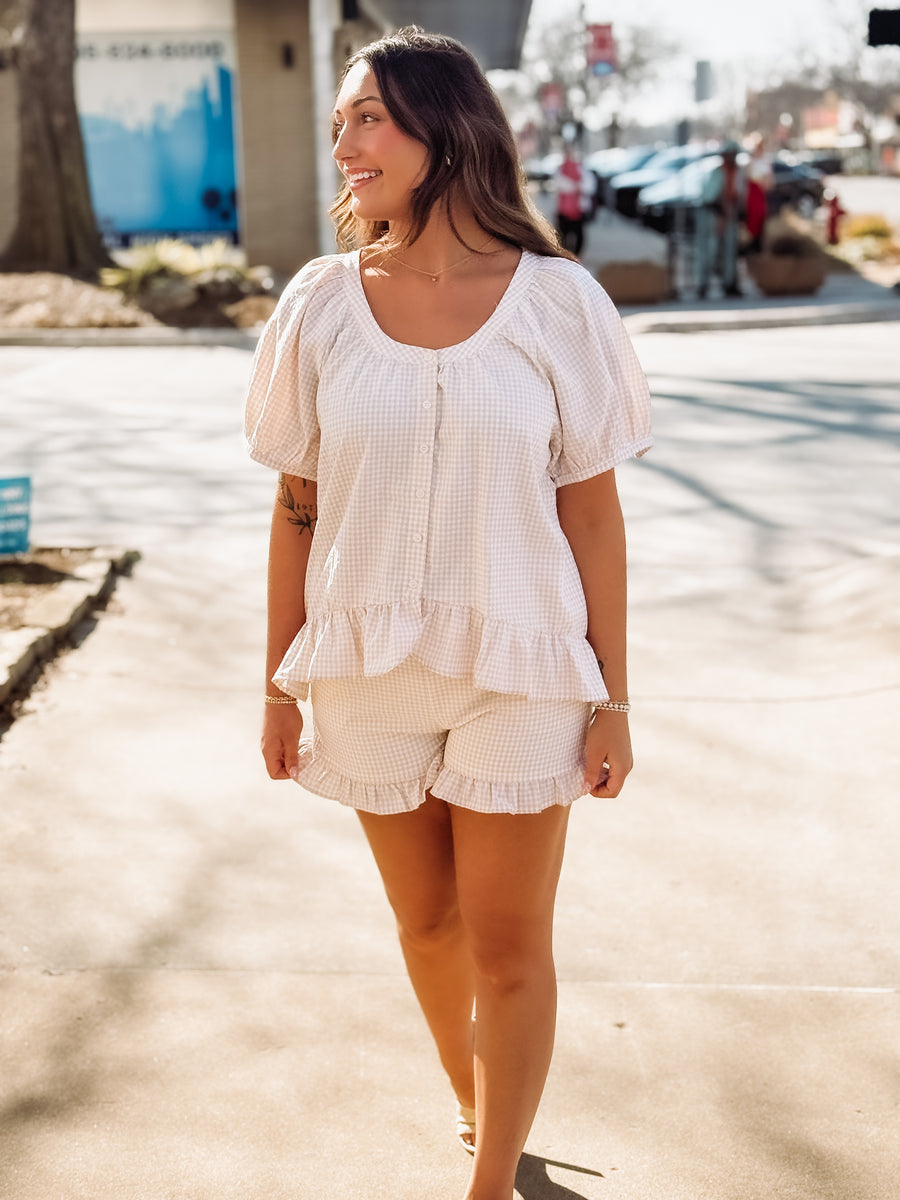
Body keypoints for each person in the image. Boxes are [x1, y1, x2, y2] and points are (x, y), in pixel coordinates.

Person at [244, 27, 651, 1200]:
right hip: (366, 668)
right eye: (339, 122)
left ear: (443, 124)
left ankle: (489, 1188)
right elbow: (296, 512)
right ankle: (485, 1114)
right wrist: (275, 683)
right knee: (428, 926)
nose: (345, 142)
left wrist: (614, 698)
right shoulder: (322, 304)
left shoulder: (557, 303)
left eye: (367, 116)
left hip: (523, 665)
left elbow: (594, 518)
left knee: (512, 940)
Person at [695, 138, 746, 298]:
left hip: (730, 216)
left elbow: (740, 195)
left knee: (730, 252)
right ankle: (702, 285)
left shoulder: (738, 173)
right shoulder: (716, 173)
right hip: (713, 216)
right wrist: (721, 210)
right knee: (708, 251)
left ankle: (729, 283)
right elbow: (709, 197)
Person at [553, 144, 591, 256]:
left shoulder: (582, 170)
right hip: (563, 210)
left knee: (578, 234)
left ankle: (576, 255)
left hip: (578, 210)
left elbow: (589, 187)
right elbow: (560, 185)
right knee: (563, 236)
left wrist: (579, 188)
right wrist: (576, 186)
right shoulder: (560, 170)